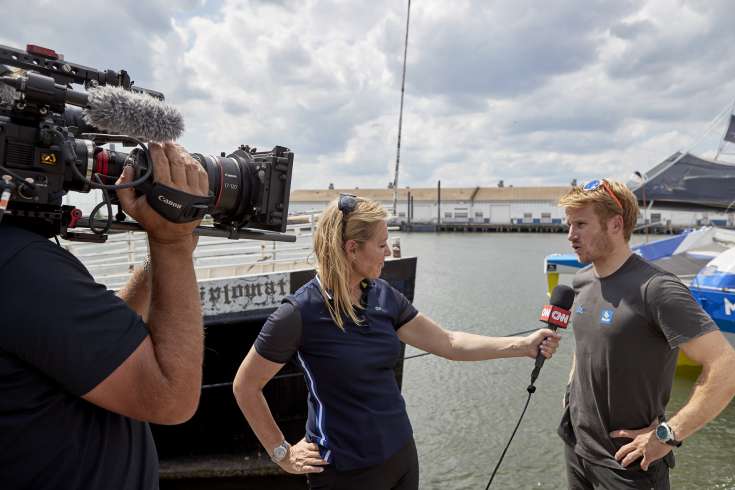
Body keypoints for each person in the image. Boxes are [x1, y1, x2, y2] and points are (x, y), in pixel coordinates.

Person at [233, 194, 562, 490]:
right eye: (381, 244)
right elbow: (246, 386)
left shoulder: (382, 296)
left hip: (401, 457)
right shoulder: (299, 313)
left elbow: (448, 343)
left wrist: (523, 346)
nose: (389, 252)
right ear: (352, 248)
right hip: (346, 472)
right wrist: (282, 452)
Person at [0, 142, 208, 489]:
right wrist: (171, 244)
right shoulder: (18, 267)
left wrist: (167, 254)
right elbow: (172, 399)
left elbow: (100, 354)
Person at [557, 179, 735, 489]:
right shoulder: (581, 281)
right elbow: (584, 348)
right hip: (577, 449)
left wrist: (667, 435)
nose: (570, 235)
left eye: (581, 224)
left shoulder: (657, 289)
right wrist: (570, 397)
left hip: (628, 465)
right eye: (568, 224)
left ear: (615, 224)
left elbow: (730, 371)